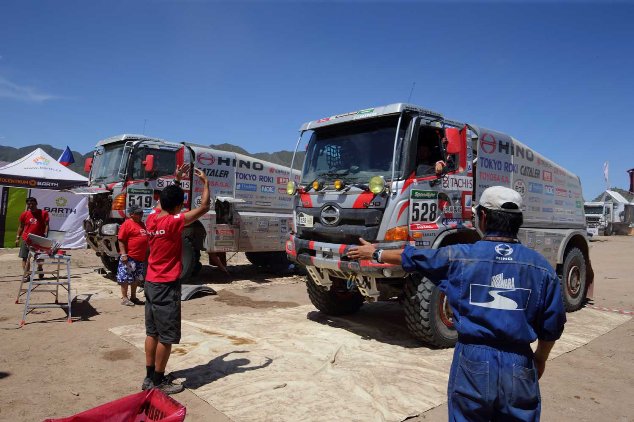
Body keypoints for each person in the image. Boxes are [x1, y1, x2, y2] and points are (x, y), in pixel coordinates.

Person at [347, 186, 566, 421]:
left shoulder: (459, 256)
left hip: (473, 361)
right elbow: (551, 326)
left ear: (482, 217)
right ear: (518, 221)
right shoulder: (542, 268)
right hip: (519, 363)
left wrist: (375, 253)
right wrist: (540, 359)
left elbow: (414, 257)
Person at [141, 164, 210, 395]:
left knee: (152, 333)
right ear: (179, 206)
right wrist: (205, 183)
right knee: (167, 337)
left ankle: (149, 377)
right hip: (166, 285)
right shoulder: (174, 222)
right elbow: (204, 207)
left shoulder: (151, 218)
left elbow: (164, 202)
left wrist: (177, 181)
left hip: (150, 282)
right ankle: (159, 381)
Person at [117, 204, 148, 306]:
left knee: (136, 278)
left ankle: (133, 297)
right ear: (131, 214)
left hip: (140, 258)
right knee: (125, 278)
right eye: (138, 213)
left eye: (141, 213)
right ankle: (125, 298)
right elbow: (121, 240)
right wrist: (124, 254)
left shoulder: (142, 224)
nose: (141, 215)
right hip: (129, 256)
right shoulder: (127, 224)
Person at [16, 197, 49, 277]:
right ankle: (27, 275)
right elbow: (21, 226)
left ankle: (40, 268)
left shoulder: (44, 213)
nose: (31, 206)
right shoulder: (24, 214)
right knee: (25, 257)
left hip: (39, 239)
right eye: (29, 204)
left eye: (32, 204)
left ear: (36, 204)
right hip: (26, 239)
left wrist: (45, 234)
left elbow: (47, 225)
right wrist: (17, 237)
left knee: (40, 257)